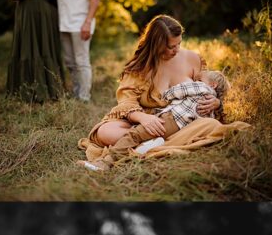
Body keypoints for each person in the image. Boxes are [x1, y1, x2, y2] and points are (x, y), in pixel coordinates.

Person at [80, 14, 249, 165]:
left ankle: (148, 145)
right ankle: (160, 143)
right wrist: (144, 119)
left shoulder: (192, 59)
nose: (176, 50)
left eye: (179, 44)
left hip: (182, 121)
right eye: (170, 46)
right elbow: (126, 101)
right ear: (156, 44)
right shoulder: (140, 66)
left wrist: (216, 102)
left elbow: (209, 86)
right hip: (142, 121)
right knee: (105, 131)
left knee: (210, 123)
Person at [84, 68, 229, 170]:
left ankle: (105, 163)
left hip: (171, 119)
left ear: (212, 85)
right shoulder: (210, 104)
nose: (197, 80)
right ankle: (149, 145)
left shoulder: (201, 87)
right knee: (141, 134)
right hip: (180, 127)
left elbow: (178, 91)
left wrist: (166, 95)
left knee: (134, 134)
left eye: (200, 79)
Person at [6, 0, 64, 103]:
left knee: (45, 50)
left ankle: (50, 91)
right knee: (28, 47)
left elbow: (55, 0)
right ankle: (28, 91)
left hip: (45, 20)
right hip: (28, 16)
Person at [53, 0, 101, 102]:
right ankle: (76, 93)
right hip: (63, 24)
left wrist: (87, 22)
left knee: (81, 62)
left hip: (81, 24)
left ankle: (84, 97)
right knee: (69, 62)